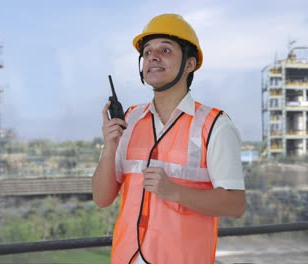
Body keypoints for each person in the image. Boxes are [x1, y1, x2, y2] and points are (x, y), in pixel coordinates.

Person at [92, 13, 245, 264]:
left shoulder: (215, 125)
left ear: (190, 64)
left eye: (165, 50)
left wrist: (174, 191)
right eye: (147, 52)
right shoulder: (128, 121)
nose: (152, 57)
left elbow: (235, 205)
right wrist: (109, 148)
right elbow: (101, 198)